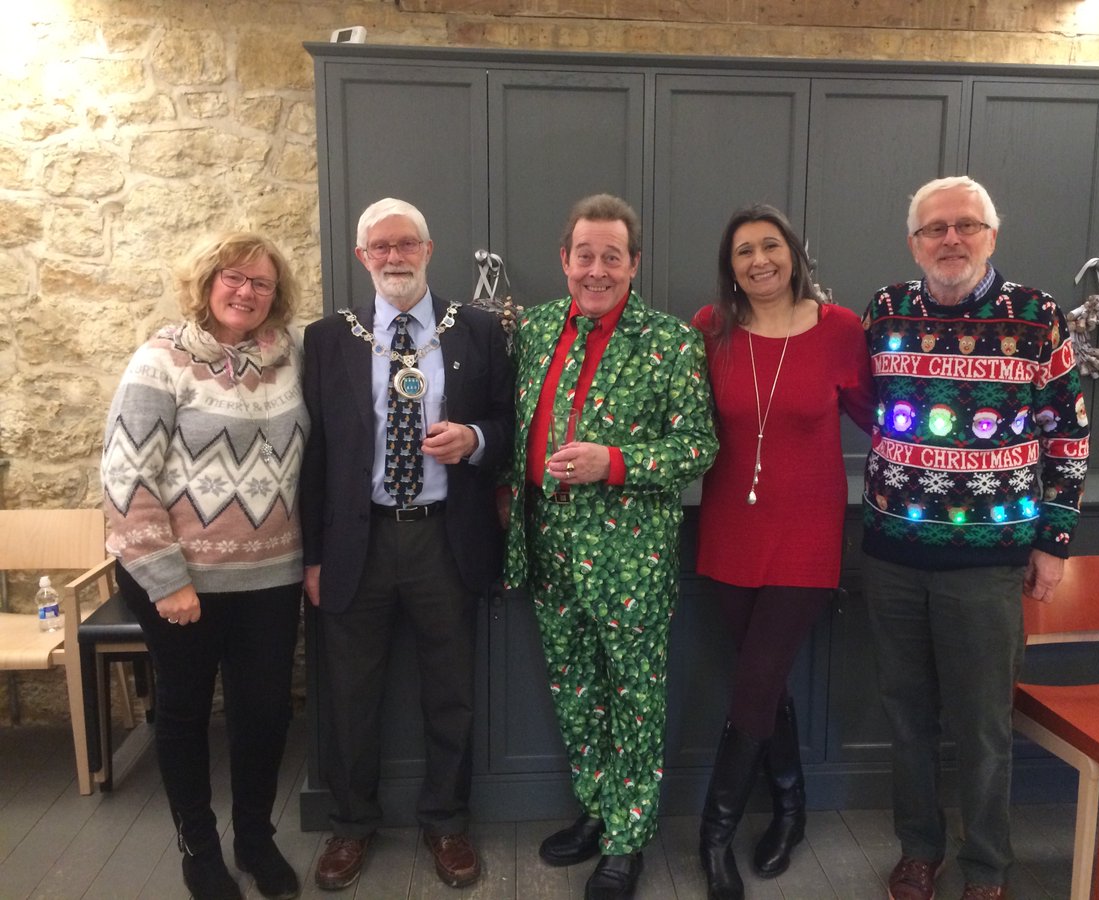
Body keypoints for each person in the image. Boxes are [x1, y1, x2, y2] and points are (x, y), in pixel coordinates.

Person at [860, 176, 1090, 900]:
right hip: (892, 556)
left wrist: (1054, 541)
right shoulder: (884, 311)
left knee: (984, 726)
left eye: (966, 226)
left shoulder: (1037, 315)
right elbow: (861, 404)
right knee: (907, 719)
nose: (950, 240)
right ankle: (919, 850)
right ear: (914, 243)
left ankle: (987, 866)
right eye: (936, 229)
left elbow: (1070, 433)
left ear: (992, 235)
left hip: (989, 566)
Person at [502, 193, 717, 900]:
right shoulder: (533, 329)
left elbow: (698, 447)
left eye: (612, 257)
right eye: (584, 255)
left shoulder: (672, 341)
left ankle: (628, 840)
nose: (597, 269)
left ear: (634, 264)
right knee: (574, 690)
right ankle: (597, 809)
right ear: (564, 260)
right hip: (547, 547)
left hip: (631, 557)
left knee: (633, 696)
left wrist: (615, 462)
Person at [300, 198, 513, 891]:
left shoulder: (478, 330)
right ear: (362, 257)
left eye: (406, 244)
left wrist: (475, 439)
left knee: (450, 693)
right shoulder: (328, 339)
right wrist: (313, 555)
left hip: (443, 540)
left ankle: (447, 823)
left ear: (429, 249)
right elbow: (316, 454)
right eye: (380, 246)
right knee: (349, 694)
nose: (394, 256)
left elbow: (511, 425)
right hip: (356, 541)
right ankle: (351, 825)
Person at [101, 231, 308, 900]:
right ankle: (198, 846)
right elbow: (126, 476)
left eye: (261, 283)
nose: (246, 291)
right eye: (233, 278)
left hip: (271, 579)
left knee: (265, 712)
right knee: (187, 711)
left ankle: (255, 838)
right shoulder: (161, 361)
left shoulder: (289, 358)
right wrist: (167, 579)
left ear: (277, 297)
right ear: (207, 282)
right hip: (181, 583)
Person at [690, 204, 875, 899]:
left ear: (794, 254)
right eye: (744, 251)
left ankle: (713, 837)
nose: (758, 260)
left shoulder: (841, 330)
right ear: (730, 266)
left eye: (770, 246)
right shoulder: (711, 330)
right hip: (729, 528)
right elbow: (677, 415)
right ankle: (791, 808)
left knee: (756, 680)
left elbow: (881, 417)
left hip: (806, 531)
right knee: (761, 683)